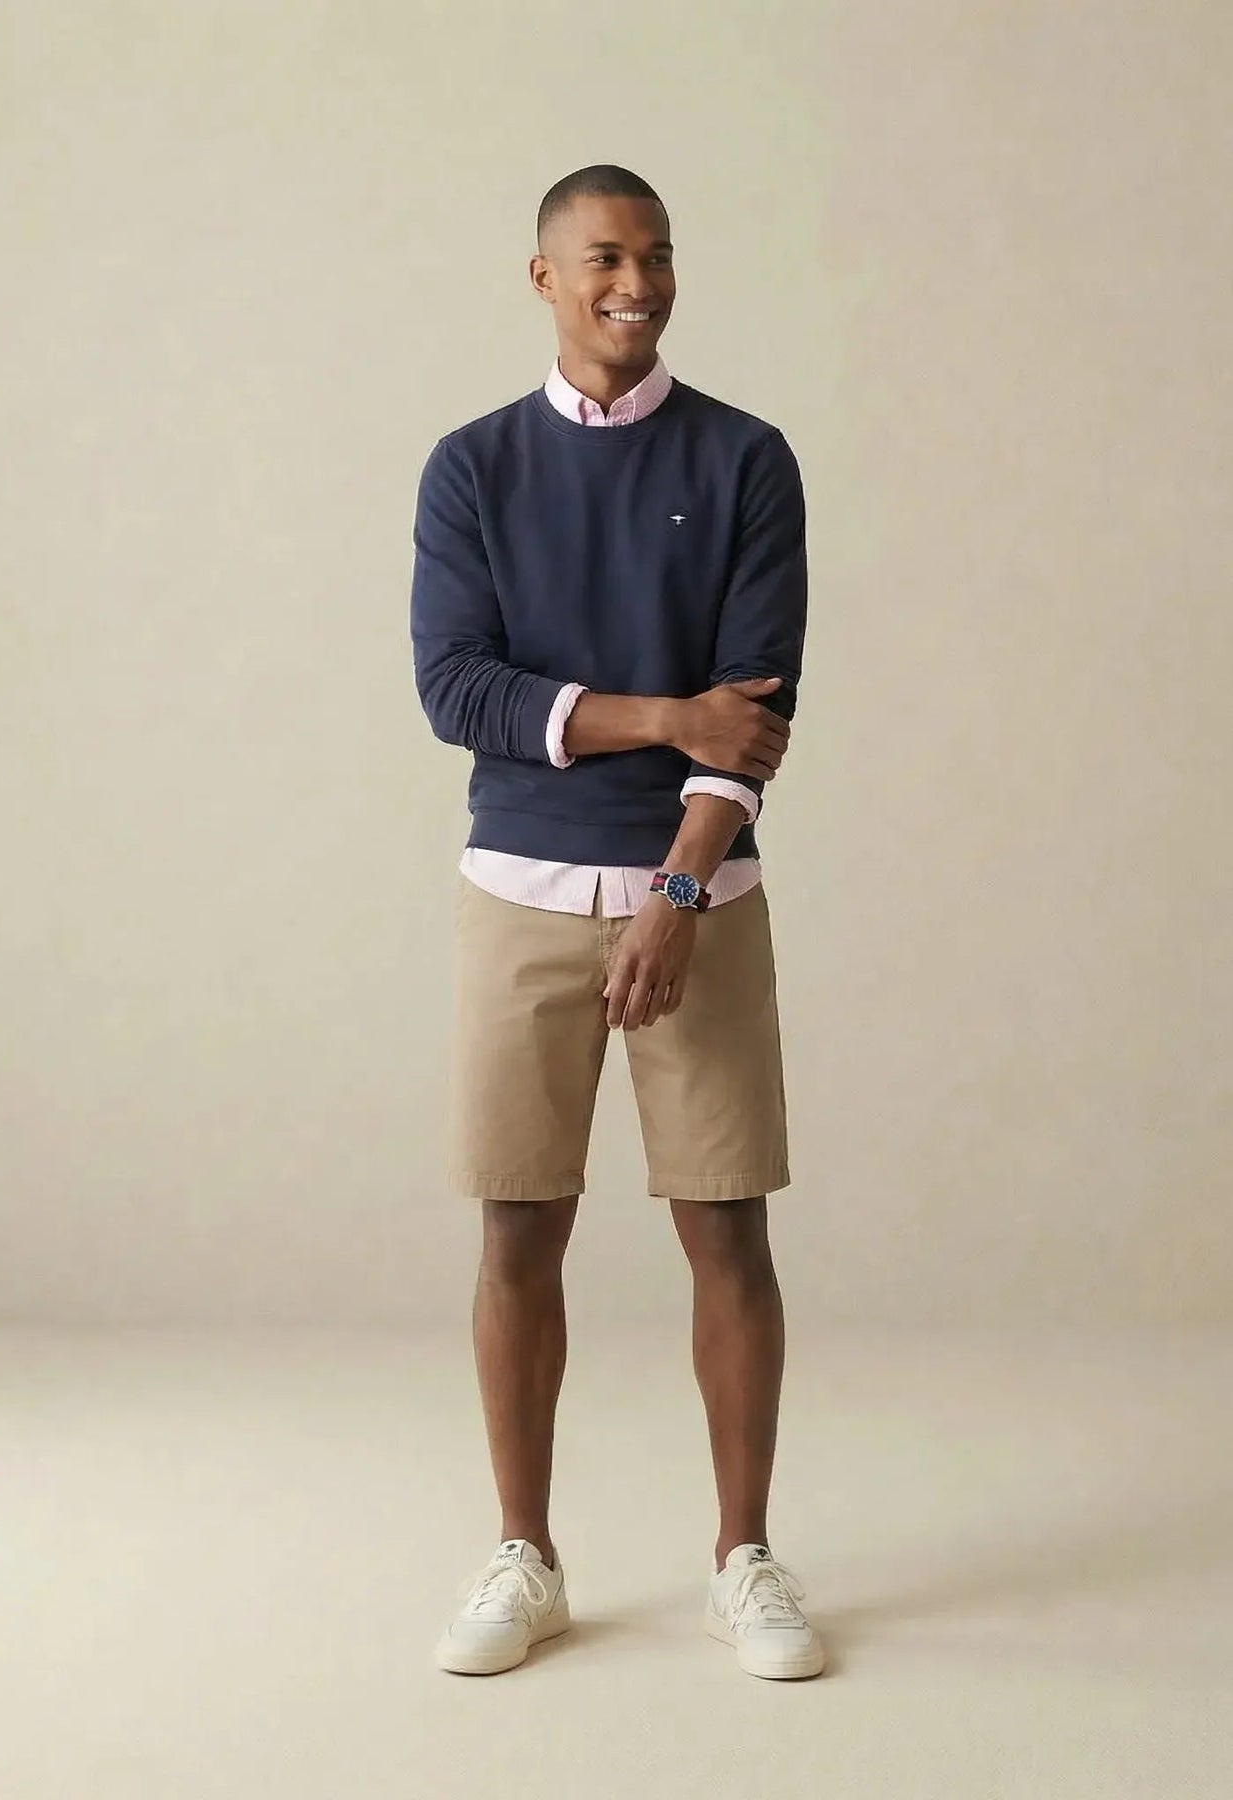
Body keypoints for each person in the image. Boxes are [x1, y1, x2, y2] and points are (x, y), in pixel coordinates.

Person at [410, 164, 821, 1681]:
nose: (633, 283)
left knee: (728, 1226)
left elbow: (756, 710)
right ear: (545, 277)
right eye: (602, 258)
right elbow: (458, 691)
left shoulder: (745, 460)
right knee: (518, 1229)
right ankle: (524, 1555)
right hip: (516, 890)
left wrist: (677, 889)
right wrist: (660, 712)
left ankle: (744, 1559)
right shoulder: (472, 468)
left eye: (654, 255)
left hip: (698, 892)